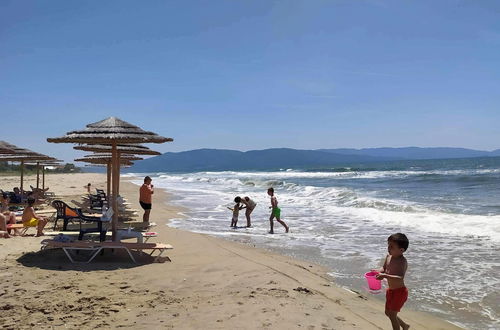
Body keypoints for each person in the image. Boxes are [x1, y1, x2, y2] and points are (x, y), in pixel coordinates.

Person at [374, 233, 410, 330]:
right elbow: (384, 268)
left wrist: (385, 275)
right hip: (391, 291)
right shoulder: (388, 257)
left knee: (393, 315)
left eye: (392, 246)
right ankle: (405, 326)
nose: (388, 248)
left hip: (400, 292)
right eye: (388, 245)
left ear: (401, 250)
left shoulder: (402, 262)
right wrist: (378, 272)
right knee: (388, 313)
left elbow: (400, 277)